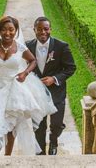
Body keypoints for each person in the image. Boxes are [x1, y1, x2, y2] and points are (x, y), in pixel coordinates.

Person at [0, 16, 57, 156]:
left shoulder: (20, 47)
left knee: (11, 126)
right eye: (4, 29)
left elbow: (32, 61)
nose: (8, 33)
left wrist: (25, 73)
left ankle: (7, 157)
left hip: (14, 90)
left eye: (11, 30)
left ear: (16, 31)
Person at [26, 16, 76, 155]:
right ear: (34, 30)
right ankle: (41, 151)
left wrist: (54, 79)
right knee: (40, 125)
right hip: (37, 93)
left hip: (56, 93)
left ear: (50, 29)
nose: (43, 32)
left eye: (46, 29)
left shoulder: (61, 46)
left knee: (57, 124)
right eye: (39, 29)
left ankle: (53, 141)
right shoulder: (28, 46)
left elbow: (70, 68)